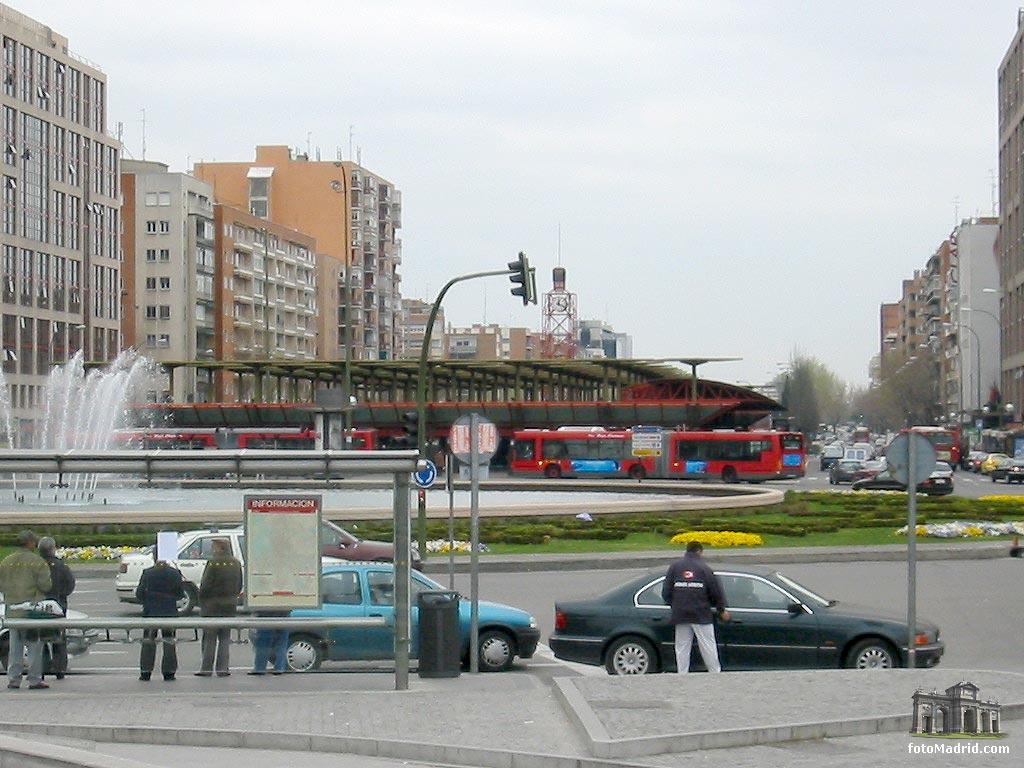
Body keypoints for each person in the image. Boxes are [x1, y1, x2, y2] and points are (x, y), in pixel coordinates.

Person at [661, 541, 729, 673]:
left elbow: (666, 593)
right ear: (699, 551)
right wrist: (721, 609)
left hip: (680, 614)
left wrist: (675, 605)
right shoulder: (705, 568)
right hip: (701, 614)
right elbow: (715, 592)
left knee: (682, 647)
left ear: (687, 551)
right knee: (708, 646)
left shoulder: (675, 567)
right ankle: (715, 673)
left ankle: (683, 673)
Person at [0, 530, 52, 690]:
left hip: (12, 610)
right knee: (35, 646)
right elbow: (46, 586)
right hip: (31, 611)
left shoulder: (6, 561)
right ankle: (34, 679)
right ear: (30, 543)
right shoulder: (37, 562)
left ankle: (14, 679)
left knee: (15, 647)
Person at [196, 538, 242, 677]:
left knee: (209, 638)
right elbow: (239, 584)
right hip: (229, 605)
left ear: (220, 548)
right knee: (224, 639)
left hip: (212, 605)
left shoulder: (213, 563)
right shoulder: (236, 563)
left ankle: (206, 668)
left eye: (214, 546)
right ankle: (223, 669)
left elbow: (206, 584)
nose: (212, 549)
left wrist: (201, 599)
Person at [136, 557, 186, 681]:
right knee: (169, 641)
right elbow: (180, 594)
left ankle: (146, 671)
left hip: (151, 612)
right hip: (169, 611)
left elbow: (139, 593)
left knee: (148, 641)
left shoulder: (148, 572)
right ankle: (169, 672)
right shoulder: (175, 573)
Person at [37, 537, 76, 680]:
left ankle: (42, 668)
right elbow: (70, 584)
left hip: (39, 607)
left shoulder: (35, 565)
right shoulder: (60, 566)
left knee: (40, 639)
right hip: (58, 606)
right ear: (53, 549)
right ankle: (60, 669)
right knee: (59, 639)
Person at [249, 610, 290, 676]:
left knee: (264, 640)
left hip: (266, 611)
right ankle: (279, 668)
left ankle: (260, 668)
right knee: (281, 641)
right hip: (284, 610)